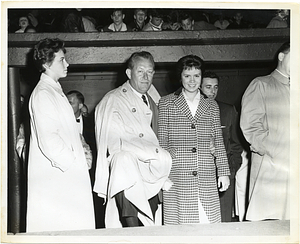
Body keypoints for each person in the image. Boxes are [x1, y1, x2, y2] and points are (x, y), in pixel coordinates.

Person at [94, 51, 172, 228]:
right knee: (134, 225)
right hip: (130, 169)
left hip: (152, 170)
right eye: (140, 72)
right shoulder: (113, 99)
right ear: (129, 73)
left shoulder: (154, 100)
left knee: (151, 223)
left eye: (150, 72)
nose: (146, 77)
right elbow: (115, 145)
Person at [26, 38, 95, 232]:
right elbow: (50, 142)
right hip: (59, 177)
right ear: (46, 64)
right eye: (61, 60)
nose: (67, 63)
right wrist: (75, 164)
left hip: (67, 175)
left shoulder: (55, 91)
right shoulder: (43, 94)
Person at [158, 55, 230, 225]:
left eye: (197, 75)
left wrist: (224, 172)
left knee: (208, 227)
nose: (192, 81)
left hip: (206, 176)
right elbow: (162, 142)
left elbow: (218, 140)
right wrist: (162, 176)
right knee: (181, 231)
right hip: (177, 177)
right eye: (187, 75)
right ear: (180, 77)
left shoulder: (211, 105)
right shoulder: (166, 103)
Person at [240, 42, 290, 221]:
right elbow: (251, 128)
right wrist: (279, 151)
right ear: (281, 57)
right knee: (270, 223)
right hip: (270, 169)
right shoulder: (261, 84)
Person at [201, 71, 243, 222]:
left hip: (224, 173)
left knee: (224, 220)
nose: (212, 91)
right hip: (200, 173)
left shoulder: (227, 110)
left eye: (215, 87)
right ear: (199, 87)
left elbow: (236, 144)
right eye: (208, 87)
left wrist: (231, 169)